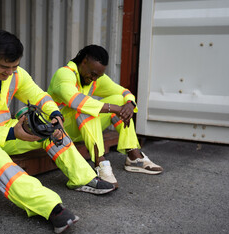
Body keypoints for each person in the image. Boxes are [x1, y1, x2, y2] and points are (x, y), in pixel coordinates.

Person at [0, 31, 115, 234]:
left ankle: (83, 178)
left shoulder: (14, 74)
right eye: (4, 66)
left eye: (14, 66)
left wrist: (55, 114)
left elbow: (38, 95)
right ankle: (51, 209)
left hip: (5, 133)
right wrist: (13, 134)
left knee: (48, 129)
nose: (9, 72)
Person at [47, 45, 163, 187]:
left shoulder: (94, 77)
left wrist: (129, 104)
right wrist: (114, 109)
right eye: (93, 74)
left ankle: (134, 156)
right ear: (84, 62)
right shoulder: (64, 74)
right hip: (56, 129)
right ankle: (100, 163)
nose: (94, 79)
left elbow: (123, 92)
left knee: (119, 101)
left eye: (98, 76)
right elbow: (75, 101)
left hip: (78, 128)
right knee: (86, 107)